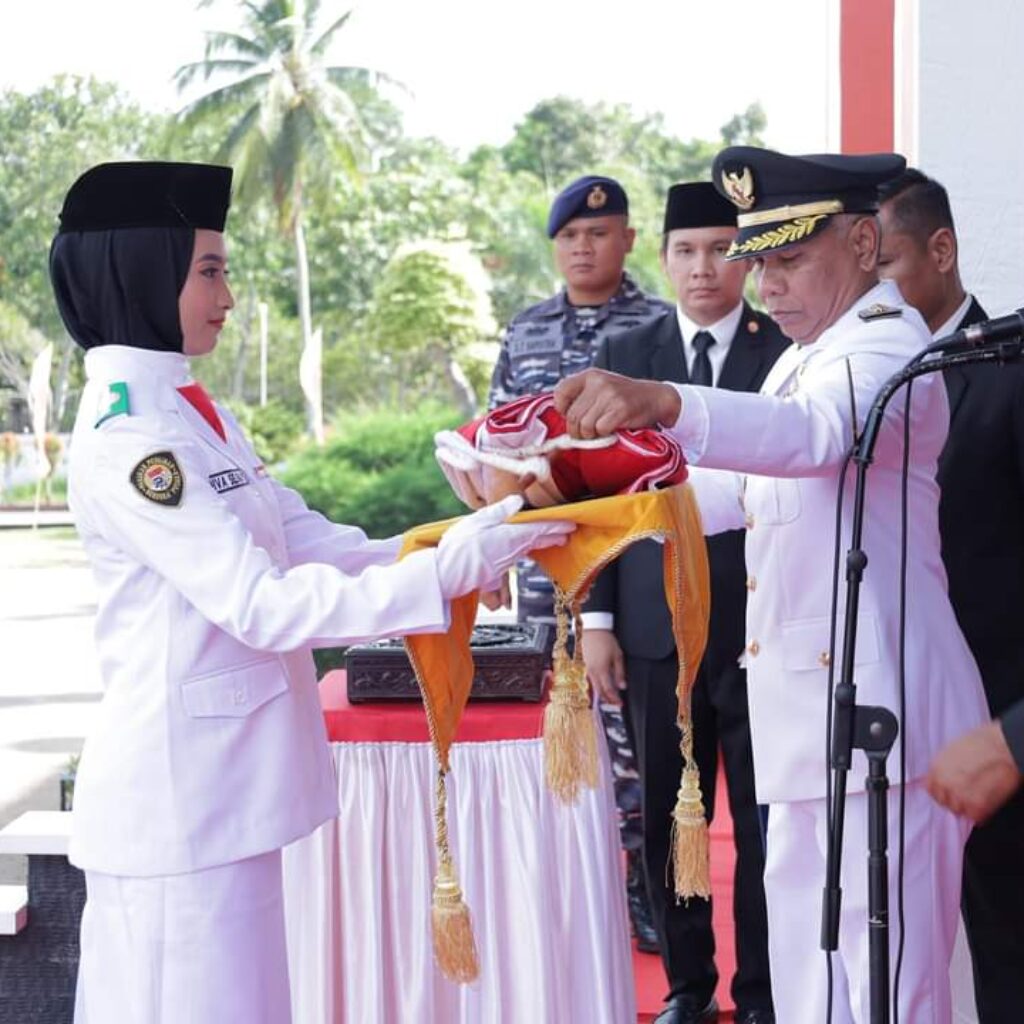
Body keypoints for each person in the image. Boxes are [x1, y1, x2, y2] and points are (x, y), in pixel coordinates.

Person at [50, 161, 571, 1024]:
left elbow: (310, 542)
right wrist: (444, 574)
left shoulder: (189, 412)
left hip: (225, 799)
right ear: (145, 270)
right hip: (179, 807)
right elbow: (262, 603)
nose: (228, 294)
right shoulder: (130, 438)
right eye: (208, 270)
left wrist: (458, 536)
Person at [553, 145, 990, 1024]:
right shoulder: (806, 354)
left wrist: (664, 403)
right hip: (809, 726)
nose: (770, 287)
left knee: (884, 991)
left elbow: (811, 438)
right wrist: (567, 501)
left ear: (864, 244)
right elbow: (735, 493)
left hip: (885, 734)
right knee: (806, 983)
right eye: (763, 265)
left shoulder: (884, 345)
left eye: (791, 260)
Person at [581, 182, 786, 1024]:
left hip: (759, 627)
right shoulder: (627, 350)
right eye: (687, 251)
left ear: (745, 258)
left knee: (767, 826)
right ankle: (687, 992)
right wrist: (595, 620)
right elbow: (589, 488)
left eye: (721, 249)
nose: (704, 268)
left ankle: (763, 995)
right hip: (653, 627)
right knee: (672, 819)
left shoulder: (783, 350)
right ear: (661, 259)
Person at [488, 174, 671, 947]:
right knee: (555, 726)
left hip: (632, 568)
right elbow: (497, 445)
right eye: (570, 237)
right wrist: (490, 540)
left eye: (600, 234)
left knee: (632, 737)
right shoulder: (525, 331)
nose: (584, 247)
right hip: (545, 574)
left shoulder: (662, 327)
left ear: (628, 239)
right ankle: (561, 895)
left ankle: (643, 898)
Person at [878, 168, 1024, 1021]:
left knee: (1006, 946)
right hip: (904, 719)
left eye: (887, 263)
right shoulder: (868, 378)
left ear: (942, 250)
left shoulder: (1005, 366)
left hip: (998, 712)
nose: (876, 289)